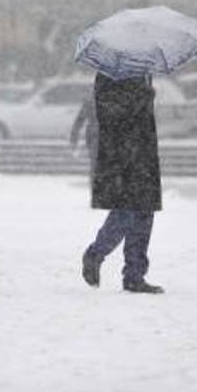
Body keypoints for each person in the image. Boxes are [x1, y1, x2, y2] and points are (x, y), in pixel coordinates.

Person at [81, 72, 164, 293]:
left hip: (143, 151)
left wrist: (146, 96)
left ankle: (134, 275)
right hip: (122, 153)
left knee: (145, 212)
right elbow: (110, 111)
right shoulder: (110, 73)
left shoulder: (143, 72)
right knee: (126, 212)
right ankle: (95, 253)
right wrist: (140, 98)